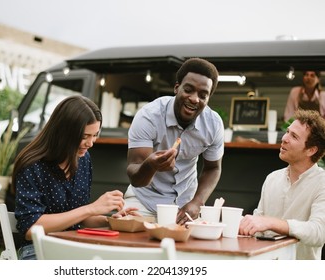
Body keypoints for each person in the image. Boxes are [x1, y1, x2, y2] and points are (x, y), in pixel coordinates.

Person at [13, 95, 135, 260]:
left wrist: (110, 221)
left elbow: (79, 216)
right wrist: (91, 208)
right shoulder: (32, 165)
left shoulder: (83, 160)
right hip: (38, 250)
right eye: (85, 136)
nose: (90, 143)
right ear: (63, 132)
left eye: (94, 135)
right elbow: (30, 228)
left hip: (74, 245)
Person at [125, 57, 224, 225]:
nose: (194, 99)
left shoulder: (213, 124)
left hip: (186, 204)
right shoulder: (149, 116)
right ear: (177, 88)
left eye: (203, 95)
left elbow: (213, 169)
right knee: (132, 242)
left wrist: (197, 203)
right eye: (189, 90)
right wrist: (151, 165)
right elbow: (135, 178)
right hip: (144, 200)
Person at [239, 109, 325, 260]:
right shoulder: (272, 178)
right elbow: (258, 227)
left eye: (294, 136)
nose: (284, 138)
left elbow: (318, 233)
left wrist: (272, 223)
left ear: (311, 150)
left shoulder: (321, 182)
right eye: (287, 132)